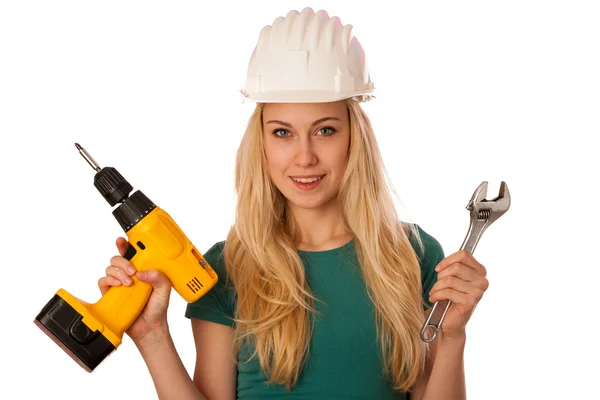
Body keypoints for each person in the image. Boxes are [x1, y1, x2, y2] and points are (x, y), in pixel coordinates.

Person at [98, 8, 489, 400]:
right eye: (283, 132)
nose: (304, 157)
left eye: (325, 130)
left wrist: (452, 335)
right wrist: (151, 336)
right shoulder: (226, 267)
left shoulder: (413, 255)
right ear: (262, 143)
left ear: (356, 138)